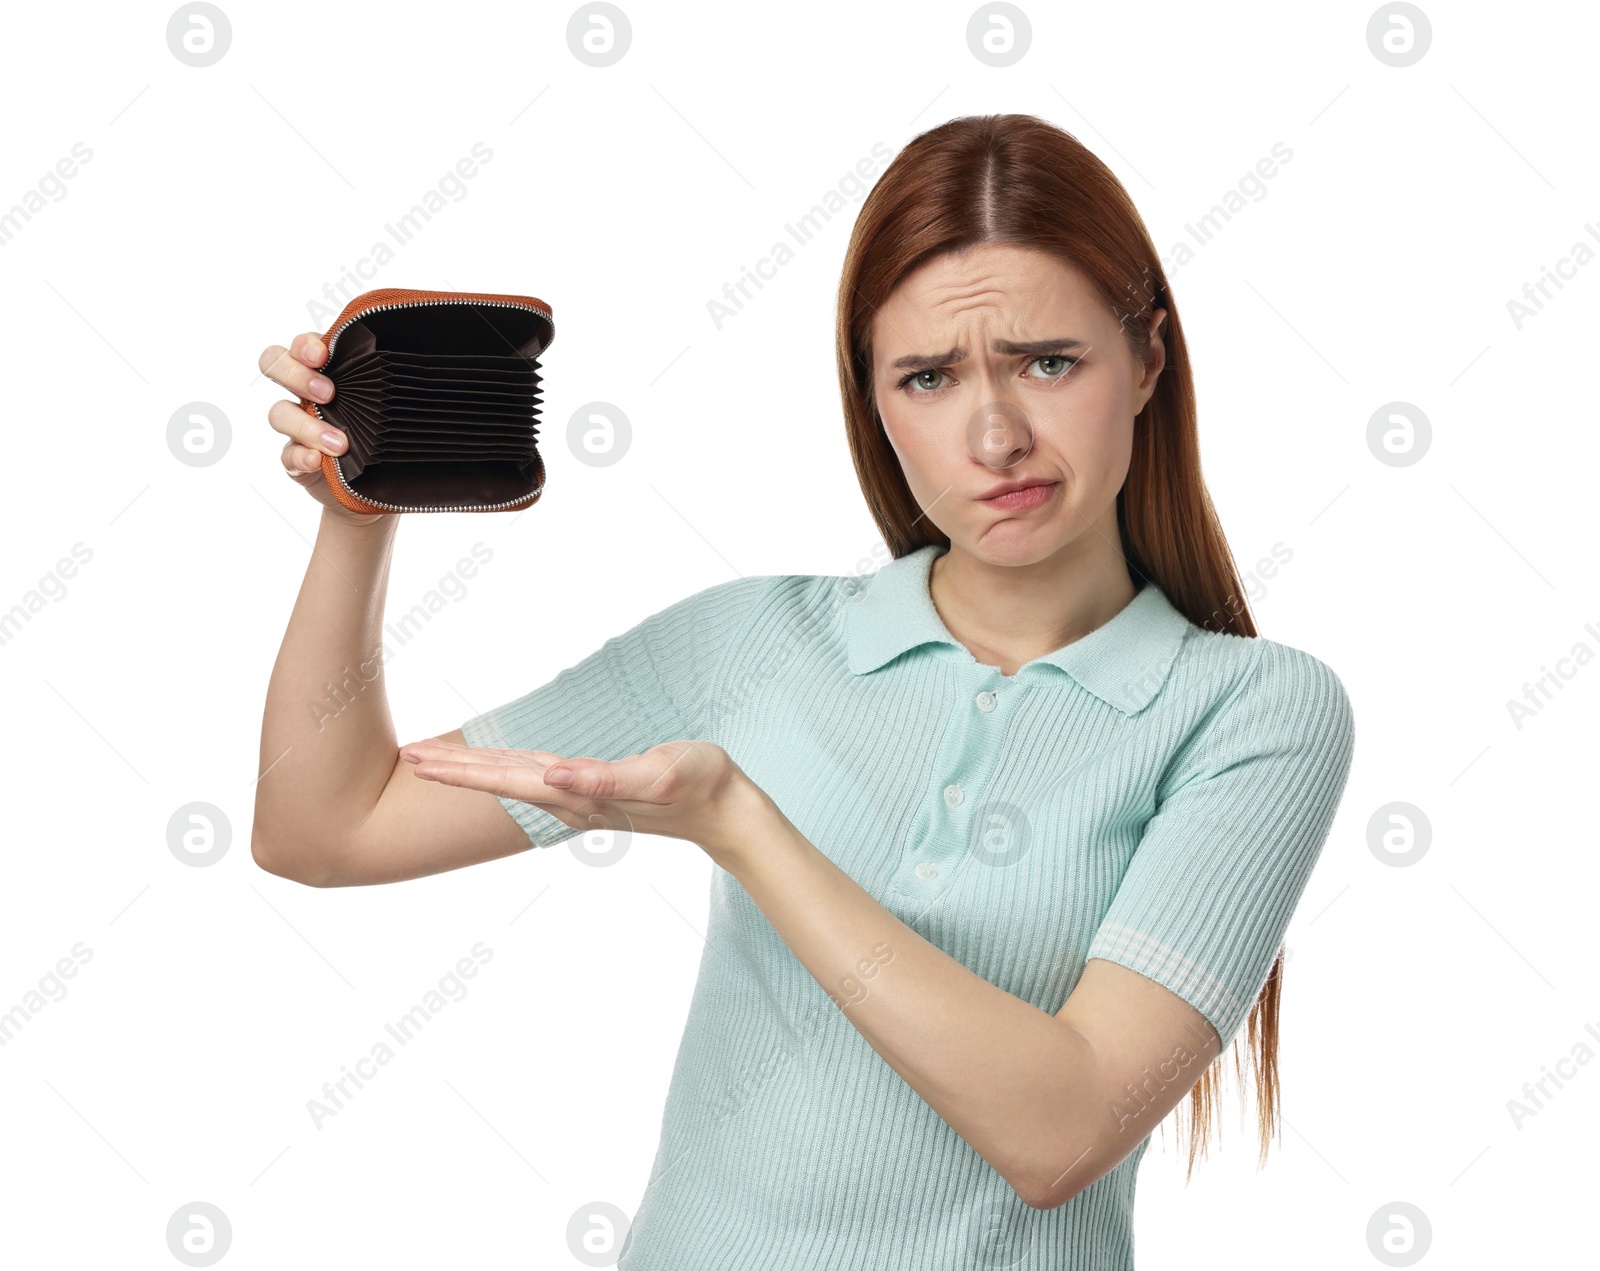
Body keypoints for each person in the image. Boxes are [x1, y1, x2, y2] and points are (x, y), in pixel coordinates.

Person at [253, 113, 1355, 1269]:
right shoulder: (757, 643)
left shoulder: (1251, 714)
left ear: (1148, 361)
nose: (994, 434)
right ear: (875, 405)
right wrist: (352, 519)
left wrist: (740, 826)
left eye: (1047, 361)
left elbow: (1059, 1130)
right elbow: (323, 828)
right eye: (927, 377)